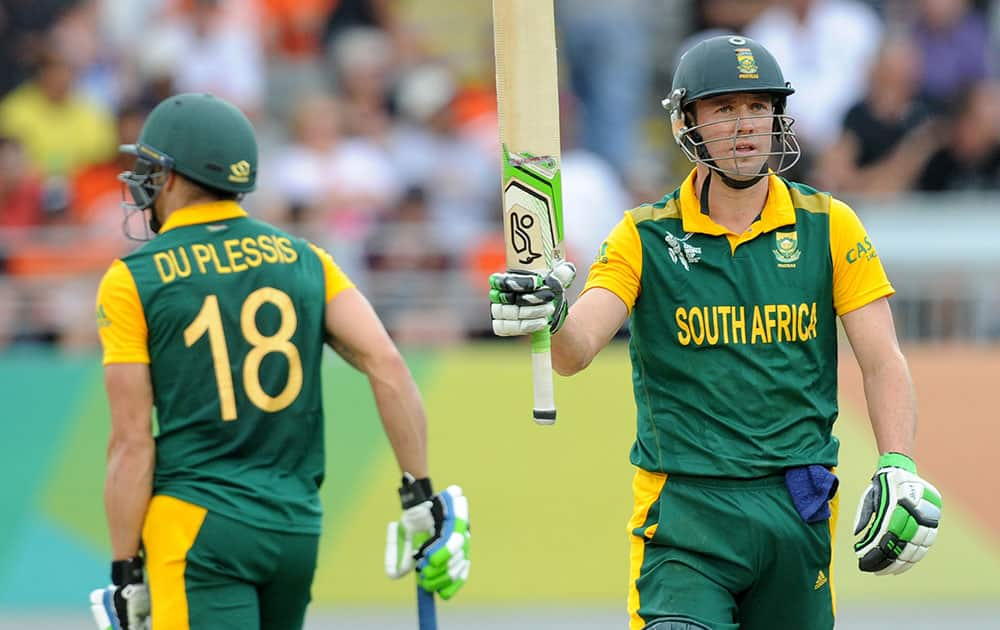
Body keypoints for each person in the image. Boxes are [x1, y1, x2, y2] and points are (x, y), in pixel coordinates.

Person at [489, 35, 941, 630]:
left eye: (758, 107)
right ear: (687, 122)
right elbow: (574, 352)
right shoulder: (642, 235)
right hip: (685, 516)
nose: (745, 125)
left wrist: (896, 462)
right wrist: (548, 315)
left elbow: (883, 360)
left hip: (795, 506)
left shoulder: (830, 224)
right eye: (725, 109)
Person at [89, 92, 470, 630]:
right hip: (294, 526)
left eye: (150, 169)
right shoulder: (306, 259)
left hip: (198, 527)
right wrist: (419, 495)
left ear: (170, 177)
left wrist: (126, 571)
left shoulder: (134, 278)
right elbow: (387, 364)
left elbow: (130, 443)